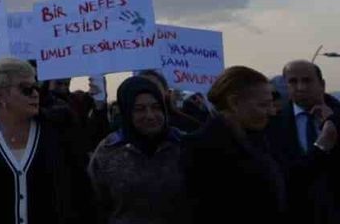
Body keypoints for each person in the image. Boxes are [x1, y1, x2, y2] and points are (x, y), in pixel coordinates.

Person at [0, 57, 91, 224]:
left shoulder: (57, 133)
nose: (35, 93)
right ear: (2, 95)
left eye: (36, 87)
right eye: (26, 89)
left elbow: (81, 194)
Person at [182, 65, 288, 220]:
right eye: (263, 105)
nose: (272, 111)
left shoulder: (261, 139)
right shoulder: (200, 149)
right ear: (234, 103)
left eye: (271, 104)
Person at [87, 76, 190, 224]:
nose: (150, 116)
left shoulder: (184, 145)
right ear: (126, 112)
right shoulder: (107, 151)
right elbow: (96, 204)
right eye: (139, 109)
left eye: (156, 107)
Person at [265, 60, 340, 222]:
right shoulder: (272, 123)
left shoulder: (336, 116)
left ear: (322, 84)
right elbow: (285, 175)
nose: (301, 87)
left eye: (307, 80)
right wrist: (322, 145)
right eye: (293, 81)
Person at [136, 69, 201, 134]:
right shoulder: (128, 125)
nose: (148, 92)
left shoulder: (187, 124)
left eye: (154, 87)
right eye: (142, 88)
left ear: (166, 91)